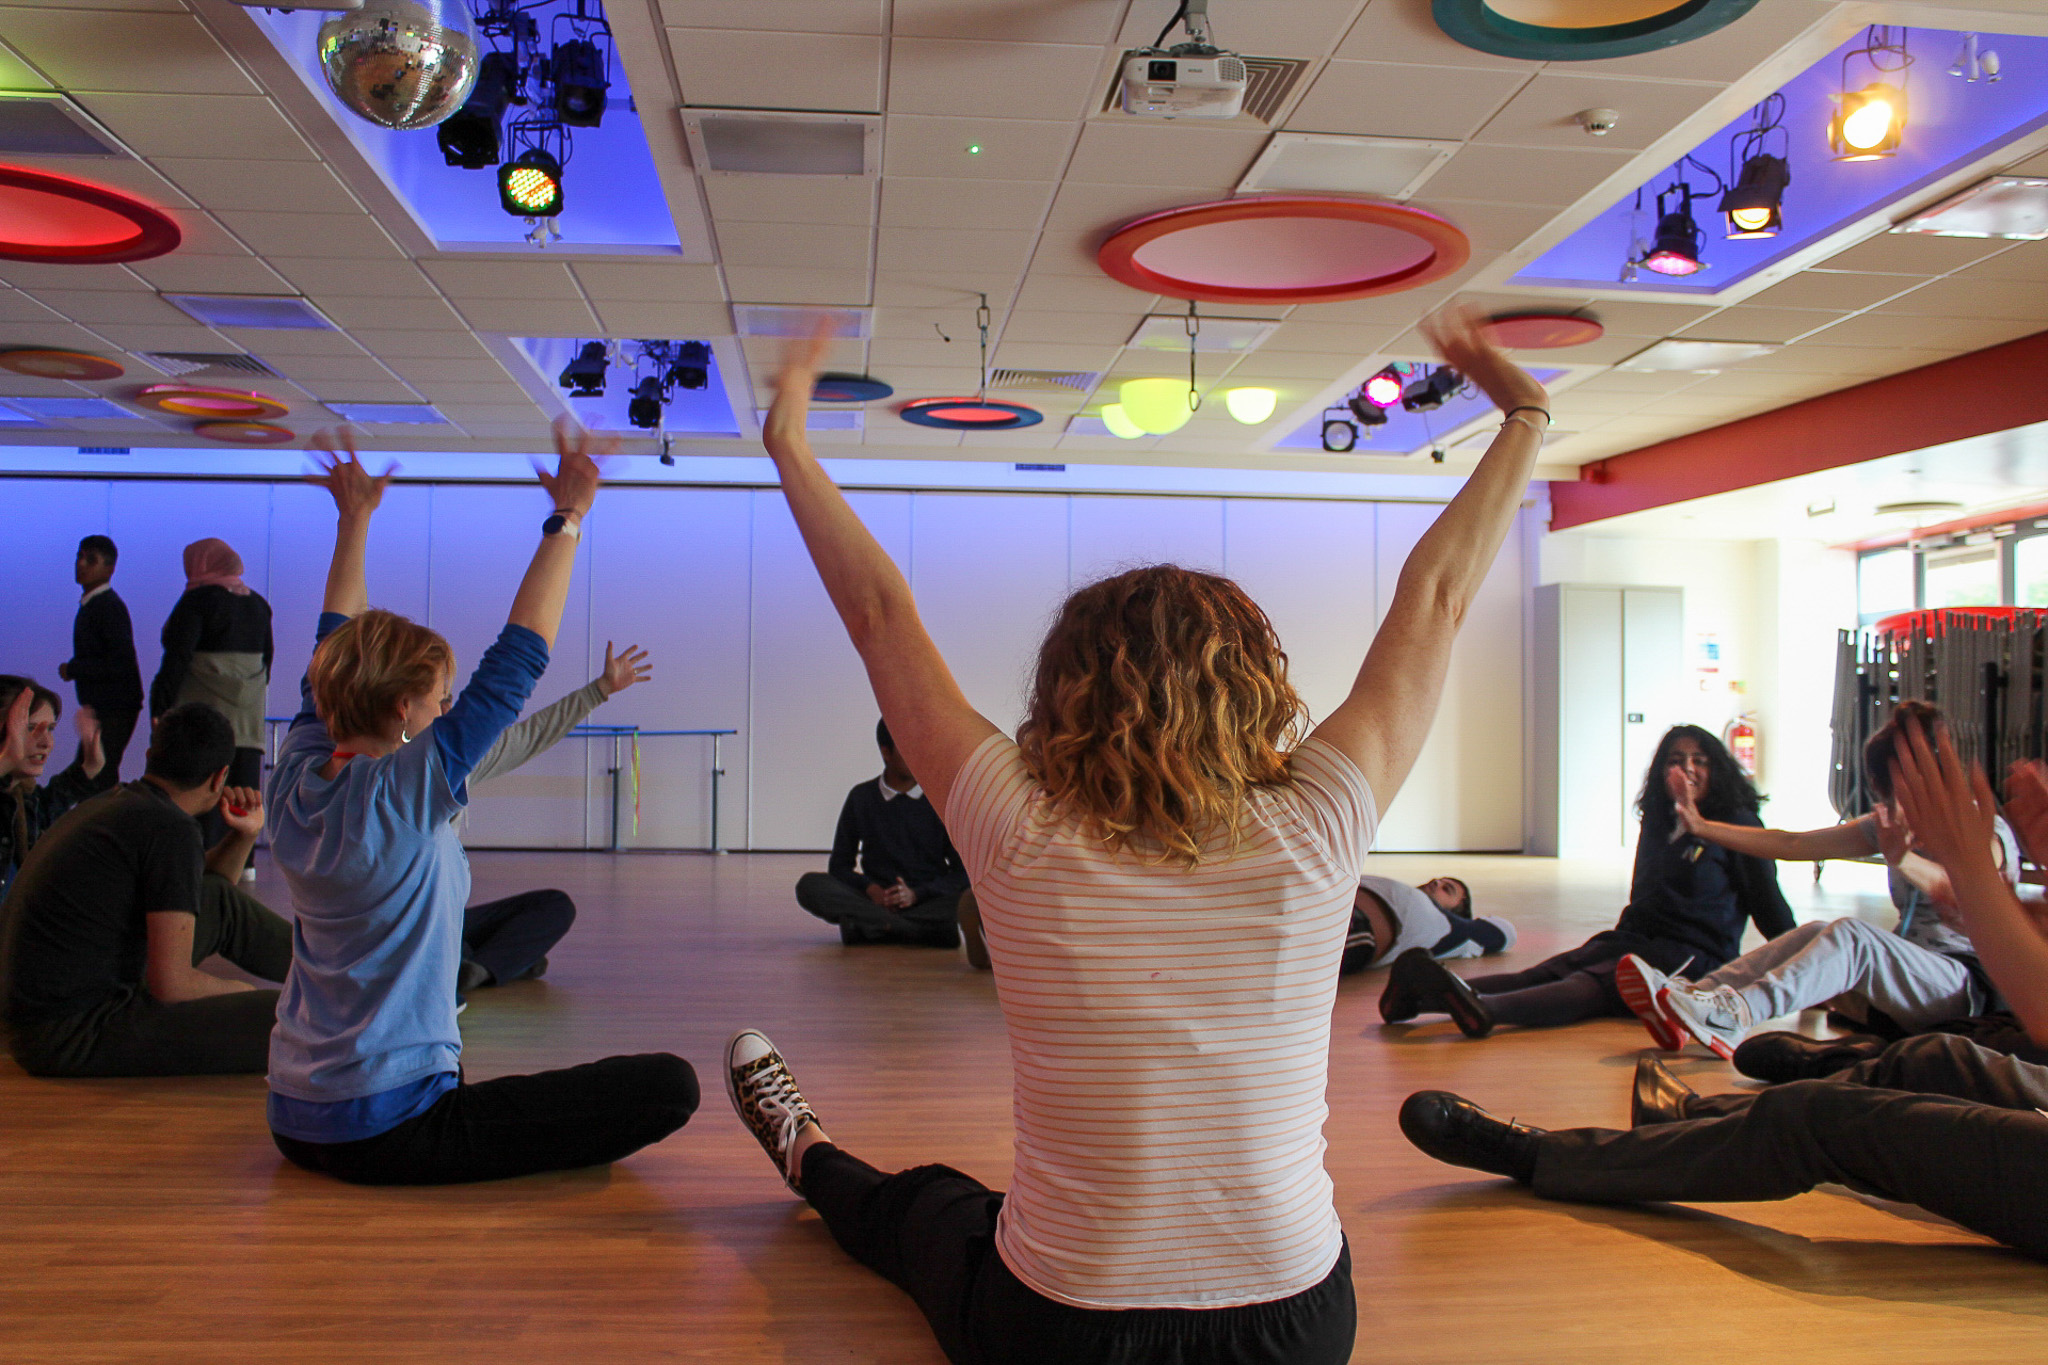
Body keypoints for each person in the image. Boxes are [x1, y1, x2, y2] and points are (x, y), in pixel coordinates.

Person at [717, 306, 1548, 1365]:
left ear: (1065, 691)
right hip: (1294, 1327)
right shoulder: (1318, 823)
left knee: (928, 1207)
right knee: (966, 1213)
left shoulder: (1014, 825)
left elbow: (879, 616)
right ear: (1257, 688)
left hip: (1061, 1329)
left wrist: (789, 437)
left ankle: (805, 1150)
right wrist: (1521, 415)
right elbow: (1433, 601)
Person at [1397, 716, 2048, 1262]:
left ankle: (1704, 1022)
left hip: (1959, 987)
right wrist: (1698, 825)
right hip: (1895, 990)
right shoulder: (1873, 823)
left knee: (1844, 949)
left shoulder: (1976, 832)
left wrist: (1947, 865)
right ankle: (1692, 1018)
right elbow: (1789, 843)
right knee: (1911, 1042)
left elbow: (1980, 909)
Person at [263, 430, 697, 1186]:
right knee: (668, 1087)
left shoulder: (296, 771)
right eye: (439, 701)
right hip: (389, 1126)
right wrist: (568, 518)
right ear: (404, 709)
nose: (449, 710)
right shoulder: (400, 789)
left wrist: (354, 519)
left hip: (292, 1114)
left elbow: (329, 643)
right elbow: (517, 662)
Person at [1620, 700, 2019, 1059]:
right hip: (1909, 989)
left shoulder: (1983, 828)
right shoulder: (1891, 822)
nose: (1897, 805)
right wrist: (1702, 826)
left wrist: (1903, 859)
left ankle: (1738, 1013)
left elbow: (1974, 890)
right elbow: (1791, 843)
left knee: (1854, 937)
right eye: (1890, 792)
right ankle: (1690, 998)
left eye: (1905, 790)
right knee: (1814, 931)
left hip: (1968, 988)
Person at [1380, 725, 1794, 1038]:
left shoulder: (1738, 825)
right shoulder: (1659, 822)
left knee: (1591, 984)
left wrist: (1802, 973)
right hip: (1634, 937)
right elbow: (1647, 895)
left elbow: (1768, 905)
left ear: (1717, 769)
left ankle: (1487, 1011)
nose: (1686, 768)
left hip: (1693, 956)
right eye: (1675, 759)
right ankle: (1425, 996)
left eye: (1699, 760)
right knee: (1547, 972)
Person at [0, 703, 290, 1077]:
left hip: (47, 1019)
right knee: (291, 1018)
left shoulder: (128, 805)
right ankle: (353, 992)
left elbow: (206, 894)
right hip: (69, 1035)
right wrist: (241, 993)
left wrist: (244, 835)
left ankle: (341, 976)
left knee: (220, 902)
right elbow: (172, 985)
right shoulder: (168, 828)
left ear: (153, 753)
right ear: (220, 777)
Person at [451, 639, 654, 997]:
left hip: (444, 918)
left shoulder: (458, 760)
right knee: (454, 941)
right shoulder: (396, 773)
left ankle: (479, 967)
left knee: (554, 907)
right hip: (410, 927)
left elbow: (531, 735)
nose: (448, 709)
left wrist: (601, 689)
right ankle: (486, 964)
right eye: (440, 701)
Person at [795, 718, 970, 948]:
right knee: (809, 885)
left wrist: (916, 894)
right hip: (875, 901)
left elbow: (962, 872)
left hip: (928, 899)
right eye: (909, 748)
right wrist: (871, 889)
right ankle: (920, 932)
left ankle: (874, 927)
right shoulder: (861, 797)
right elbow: (839, 866)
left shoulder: (942, 800)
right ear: (886, 753)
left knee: (974, 893)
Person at [151, 537, 273, 847]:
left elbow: (177, 658)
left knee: (199, 791)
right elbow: (267, 660)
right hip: (247, 720)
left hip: (202, 719)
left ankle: (199, 859)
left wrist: (160, 708)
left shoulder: (196, 601)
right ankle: (243, 861)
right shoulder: (259, 605)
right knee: (244, 794)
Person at [0, 676, 107, 896]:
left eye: (50, 729)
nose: (46, 742)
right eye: (31, 728)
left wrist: (87, 769)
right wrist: (7, 758)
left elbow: (47, 807)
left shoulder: (22, 798)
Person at [58, 534, 143, 781]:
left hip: (114, 706)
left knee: (95, 776)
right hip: (109, 705)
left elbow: (120, 663)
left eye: (91, 559)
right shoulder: (96, 604)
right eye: (80, 556)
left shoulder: (107, 607)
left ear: (110, 569)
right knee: (95, 774)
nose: (81, 564)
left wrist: (74, 669)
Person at [1341, 874, 1514, 975]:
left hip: (1353, 926)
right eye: (1438, 880)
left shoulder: (1449, 928)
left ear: (1457, 912)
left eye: (1447, 889)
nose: (1436, 882)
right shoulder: (1400, 889)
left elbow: (1505, 932)